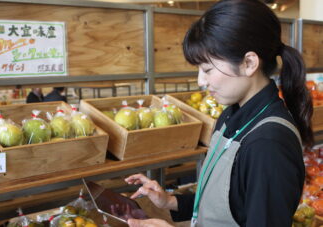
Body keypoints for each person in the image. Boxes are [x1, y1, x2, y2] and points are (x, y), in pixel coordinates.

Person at [125, 0, 313, 226]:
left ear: (249, 63)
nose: (200, 81)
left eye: (207, 69)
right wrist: (170, 201)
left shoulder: (268, 143)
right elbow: (228, 202)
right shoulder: (230, 116)